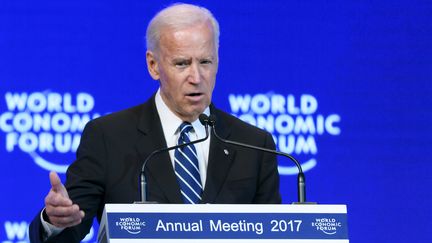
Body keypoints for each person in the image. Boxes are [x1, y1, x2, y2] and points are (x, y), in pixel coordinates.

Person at [29, 3, 281, 242]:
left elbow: (275, 235)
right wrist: (55, 221)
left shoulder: (254, 144)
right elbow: (71, 228)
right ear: (153, 65)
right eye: (182, 63)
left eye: (205, 61)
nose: (196, 77)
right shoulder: (108, 137)